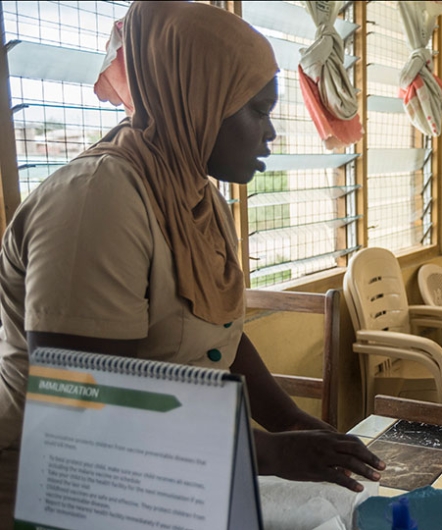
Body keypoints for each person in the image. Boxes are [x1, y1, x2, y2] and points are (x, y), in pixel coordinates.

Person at [0, 2, 384, 526]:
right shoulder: (98, 201)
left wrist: (290, 420)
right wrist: (271, 453)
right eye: (257, 110)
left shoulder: (197, 200)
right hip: (63, 486)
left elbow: (218, 332)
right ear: (196, 101)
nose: (270, 133)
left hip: (162, 469)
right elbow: (87, 403)